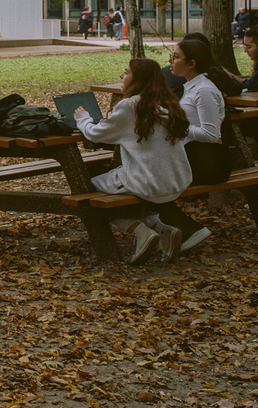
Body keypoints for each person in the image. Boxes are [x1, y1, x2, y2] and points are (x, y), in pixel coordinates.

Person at [72, 58, 192, 264]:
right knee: (115, 177)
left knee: (85, 189)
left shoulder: (130, 106)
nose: (121, 76)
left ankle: (139, 231)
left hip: (149, 183)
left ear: (138, 80)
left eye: (126, 72)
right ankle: (161, 229)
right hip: (177, 180)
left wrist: (82, 118)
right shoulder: (168, 103)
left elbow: (95, 134)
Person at [151, 38, 232, 252]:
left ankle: (186, 228)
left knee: (147, 180)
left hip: (210, 162)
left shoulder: (204, 90)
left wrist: (178, 126)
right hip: (197, 156)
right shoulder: (192, 86)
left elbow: (210, 133)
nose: (170, 60)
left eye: (176, 57)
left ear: (192, 63)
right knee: (144, 177)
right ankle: (166, 228)